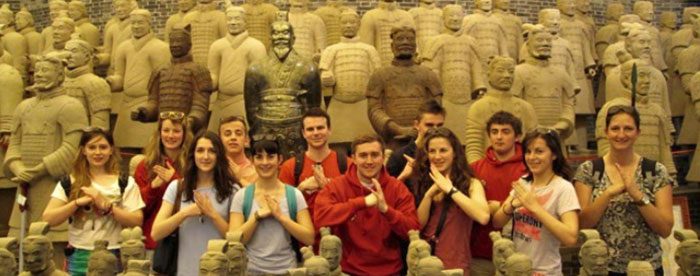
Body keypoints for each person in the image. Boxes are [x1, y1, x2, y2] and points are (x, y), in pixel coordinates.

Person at [574, 106, 674, 275]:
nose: (621, 135)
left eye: (628, 128)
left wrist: (638, 196)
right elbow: (582, 225)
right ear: (606, 132)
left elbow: (665, 229)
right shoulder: (589, 171)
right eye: (615, 129)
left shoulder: (655, 171)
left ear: (638, 132)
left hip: (647, 268)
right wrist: (607, 194)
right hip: (602, 268)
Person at [42, 128, 145, 275]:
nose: (98, 152)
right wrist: (76, 203)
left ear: (111, 150)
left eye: (103, 147)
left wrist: (107, 206)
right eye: (92, 147)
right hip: (79, 254)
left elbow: (136, 220)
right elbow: (48, 218)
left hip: (114, 253)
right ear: (83, 150)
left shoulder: (125, 182)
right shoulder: (70, 182)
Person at [314, 134, 420, 275]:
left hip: (390, 271)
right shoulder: (336, 186)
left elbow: (412, 230)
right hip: (348, 271)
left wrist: (387, 210)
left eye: (375, 155)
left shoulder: (397, 188)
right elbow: (320, 218)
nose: (369, 161)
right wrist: (361, 203)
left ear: (383, 157)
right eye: (363, 155)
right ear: (354, 158)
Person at [492, 128, 580, 276]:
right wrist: (511, 206)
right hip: (517, 269)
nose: (532, 157)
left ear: (554, 155)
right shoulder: (523, 182)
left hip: (546, 272)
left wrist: (535, 208)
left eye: (539, 151)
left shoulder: (564, 188)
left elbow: (571, 237)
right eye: (528, 151)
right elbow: (497, 222)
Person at [151, 131, 239, 276]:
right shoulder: (177, 187)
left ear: (219, 156)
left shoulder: (232, 190)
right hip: (182, 270)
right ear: (193, 155)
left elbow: (235, 238)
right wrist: (185, 213)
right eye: (200, 150)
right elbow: (156, 233)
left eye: (211, 151)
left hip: (219, 271)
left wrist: (213, 214)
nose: (205, 156)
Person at [229, 139, 315, 275]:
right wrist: (256, 217)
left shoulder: (294, 195)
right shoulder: (242, 196)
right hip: (251, 270)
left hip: (288, 269)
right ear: (252, 160)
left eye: (270, 156)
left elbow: (309, 238)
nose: (265, 163)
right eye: (259, 157)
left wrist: (281, 217)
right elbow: (233, 240)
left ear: (279, 159)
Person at [412, 127, 490, 272]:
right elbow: (418, 225)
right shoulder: (422, 180)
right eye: (432, 151)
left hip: (456, 265)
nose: (437, 156)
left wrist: (450, 189)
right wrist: (428, 195)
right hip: (425, 265)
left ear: (454, 153)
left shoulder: (471, 184)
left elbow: (483, 216)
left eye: (443, 150)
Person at [469, 111, 528, 276]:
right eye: (494, 132)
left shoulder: (528, 167)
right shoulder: (475, 169)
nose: (499, 137)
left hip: (521, 255)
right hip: (481, 256)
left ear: (517, 136)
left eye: (505, 131)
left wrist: (501, 207)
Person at [133, 111, 192, 251]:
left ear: (184, 134)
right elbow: (137, 210)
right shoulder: (145, 166)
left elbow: (197, 201)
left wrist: (175, 180)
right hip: (153, 244)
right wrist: (152, 187)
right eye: (166, 130)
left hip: (186, 241)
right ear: (159, 133)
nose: (170, 136)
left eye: (176, 131)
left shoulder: (194, 164)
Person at [279, 108, 351, 221]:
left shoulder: (347, 164)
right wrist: (300, 189)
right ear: (303, 133)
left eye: (320, 128)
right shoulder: (290, 167)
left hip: (340, 233)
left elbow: (356, 203)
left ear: (329, 130)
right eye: (310, 129)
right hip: (304, 235)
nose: (316, 133)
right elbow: (282, 209)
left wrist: (328, 187)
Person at [386, 100, 445, 181]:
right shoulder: (398, 158)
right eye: (429, 125)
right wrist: (403, 176)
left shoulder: (449, 155)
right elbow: (387, 191)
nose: (435, 130)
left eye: (439, 125)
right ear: (416, 125)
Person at [219, 116, 258, 186]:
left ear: (246, 140)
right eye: (227, 134)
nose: (233, 137)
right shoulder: (214, 167)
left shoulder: (257, 171)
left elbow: (258, 195)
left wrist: (238, 177)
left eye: (238, 133)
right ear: (219, 140)